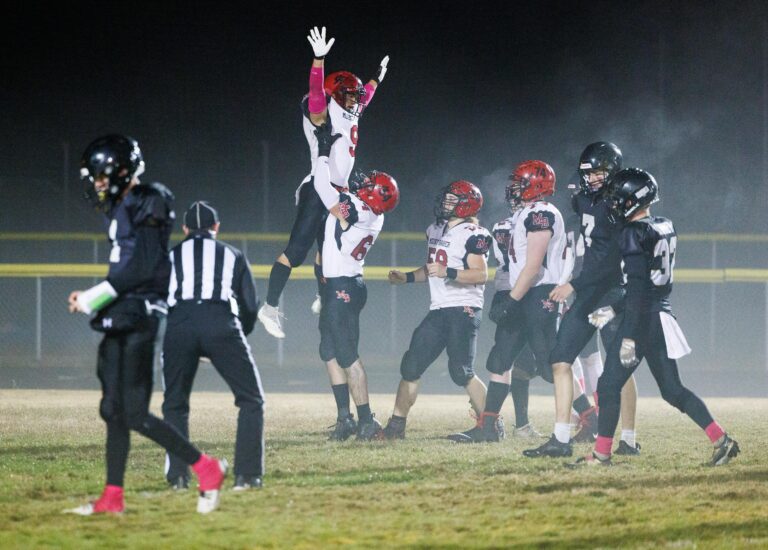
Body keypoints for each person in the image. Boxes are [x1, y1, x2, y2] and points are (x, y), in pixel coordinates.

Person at [66, 135, 226, 516]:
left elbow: (141, 267)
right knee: (112, 408)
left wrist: (93, 297)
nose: (98, 185)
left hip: (141, 310)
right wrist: (103, 298)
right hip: (122, 308)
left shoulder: (151, 197)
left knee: (134, 411)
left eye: (101, 177)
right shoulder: (120, 207)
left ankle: (205, 467)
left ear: (122, 171)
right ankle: (112, 496)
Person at [570, 168, 739, 466]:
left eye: (618, 199)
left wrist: (629, 335)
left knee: (608, 386)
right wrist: (612, 310)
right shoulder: (663, 225)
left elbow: (636, 288)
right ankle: (721, 440)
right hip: (660, 316)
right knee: (673, 390)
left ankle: (601, 454)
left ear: (633, 199)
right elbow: (646, 285)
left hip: (641, 320)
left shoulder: (632, 233)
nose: (614, 205)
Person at [258, 26, 389, 338]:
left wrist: (374, 80)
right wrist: (318, 61)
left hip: (338, 189)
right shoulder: (321, 108)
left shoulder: (350, 110)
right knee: (298, 250)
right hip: (319, 185)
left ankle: (322, 296)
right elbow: (318, 96)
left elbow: (365, 98)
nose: (355, 102)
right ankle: (270, 306)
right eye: (348, 95)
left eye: (355, 97)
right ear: (335, 94)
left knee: (326, 253)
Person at [523, 142, 634, 458]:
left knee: (619, 367)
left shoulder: (620, 204)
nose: (593, 178)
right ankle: (560, 439)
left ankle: (628, 438)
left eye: (598, 172)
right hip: (588, 293)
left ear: (612, 169)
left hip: (613, 294)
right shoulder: (583, 200)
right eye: (588, 173)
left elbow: (610, 261)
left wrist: (572, 284)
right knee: (560, 359)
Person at [449, 161, 567, 443]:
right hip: (521, 293)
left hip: (538, 294)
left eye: (520, 183)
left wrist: (511, 301)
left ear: (535, 186)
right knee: (500, 359)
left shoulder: (541, 213)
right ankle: (487, 427)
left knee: (552, 366)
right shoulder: (524, 214)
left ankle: (587, 418)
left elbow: (534, 267)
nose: (513, 189)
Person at [161, 201, 265, 490]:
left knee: (175, 405)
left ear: (184, 229)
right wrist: (238, 335)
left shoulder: (170, 256)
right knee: (251, 400)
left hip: (180, 323)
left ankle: (178, 478)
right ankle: (247, 475)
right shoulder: (231, 254)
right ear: (216, 227)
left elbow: (157, 300)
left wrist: (178, 330)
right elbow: (249, 304)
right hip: (220, 322)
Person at [382, 180, 492, 439]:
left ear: (466, 205)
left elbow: (481, 274)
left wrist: (449, 272)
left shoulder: (473, 233)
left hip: (464, 308)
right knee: (411, 365)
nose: (445, 204)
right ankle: (396, 427)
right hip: (439, 309)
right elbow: (431, 269)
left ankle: (490, 425)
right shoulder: (435, 230)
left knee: (461, 371)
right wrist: (407, 277)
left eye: (452, 200)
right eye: (446, 199)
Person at [312, 124, 400, 441]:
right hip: (340, 284)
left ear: (373, 195)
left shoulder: (362, 210)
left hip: (344, 288)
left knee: (347, 353)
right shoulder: (371, 211)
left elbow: (325, 191)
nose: (362, 183)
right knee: (329, 351)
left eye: (368, 184)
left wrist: (323, 153)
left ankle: (366, 420)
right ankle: (344, 418)